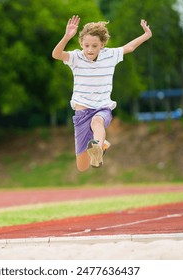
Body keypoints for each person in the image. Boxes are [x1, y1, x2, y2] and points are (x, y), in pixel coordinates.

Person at [52, 15, 152, 172]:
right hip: (81, 112)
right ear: (81, 44)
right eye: (86, 45)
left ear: (102, 45)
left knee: (97, 123)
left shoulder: (110, 55)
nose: (90, 50)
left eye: (94, 46)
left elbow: (130, 47)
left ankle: (98, 147)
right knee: (82, 166)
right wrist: (66, 37)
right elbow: (56, 55)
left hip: (102, 108)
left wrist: (146, 35)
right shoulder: (76, 57)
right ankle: (102, 145)